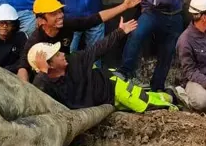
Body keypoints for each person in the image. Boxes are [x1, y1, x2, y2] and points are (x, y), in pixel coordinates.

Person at [28, 19, 176, 113]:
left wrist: (120, 32)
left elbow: (98, 49)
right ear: (49, 66)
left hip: (113, 87)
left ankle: (173, 105)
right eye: (57, 55)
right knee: (144, 98)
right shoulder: (47, 86)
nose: (62, 54)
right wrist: (43, 73)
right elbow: (36, 98)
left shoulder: (75, 60)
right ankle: (169, 95)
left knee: (145, 105)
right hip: (105, 101)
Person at [16, 0, 143, 83]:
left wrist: (124, 6)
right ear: (41, 21)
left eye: (60, 11)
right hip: (48, 83)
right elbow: (23, 67)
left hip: (67, 70)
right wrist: (27, 91)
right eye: (53, 14)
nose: (60, 16)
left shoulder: (66, 24)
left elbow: (93, 19)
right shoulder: (35, 42)